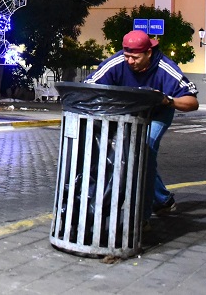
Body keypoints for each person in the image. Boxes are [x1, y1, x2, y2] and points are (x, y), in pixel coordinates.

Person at [85, 30, 198, 219]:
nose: (130, 62)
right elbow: (89, 85)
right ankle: (162, 200)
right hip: (127, 113)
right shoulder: (118, 62)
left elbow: (192, 102)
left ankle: (141, 218)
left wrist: (166, 100)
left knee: (144, 148)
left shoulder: (165, 68)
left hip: (157, 113)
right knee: (128, 155)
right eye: (127, 56)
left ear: (149, 53)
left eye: (135, 58)